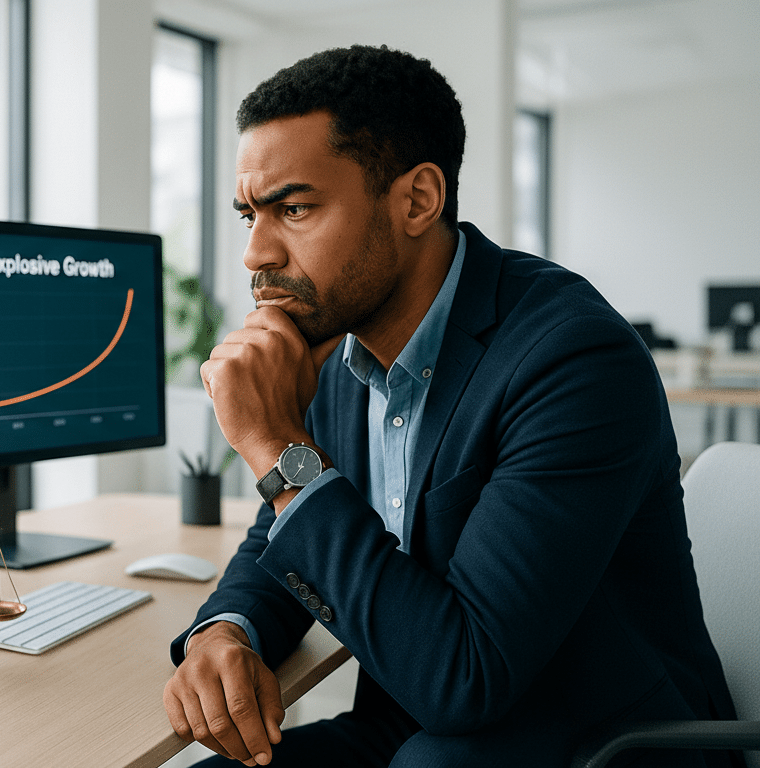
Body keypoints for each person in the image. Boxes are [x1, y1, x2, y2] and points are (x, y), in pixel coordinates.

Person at [163, 45, 739, 767]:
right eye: (250, 213)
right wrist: (227, 631)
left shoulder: (574, 360)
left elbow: (465, 677)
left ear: (417, 200)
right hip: (415, 727)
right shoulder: (340, 346)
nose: (255, 252)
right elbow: (282, 531)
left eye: (294, 209)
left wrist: (271, 439)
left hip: (600, 740)